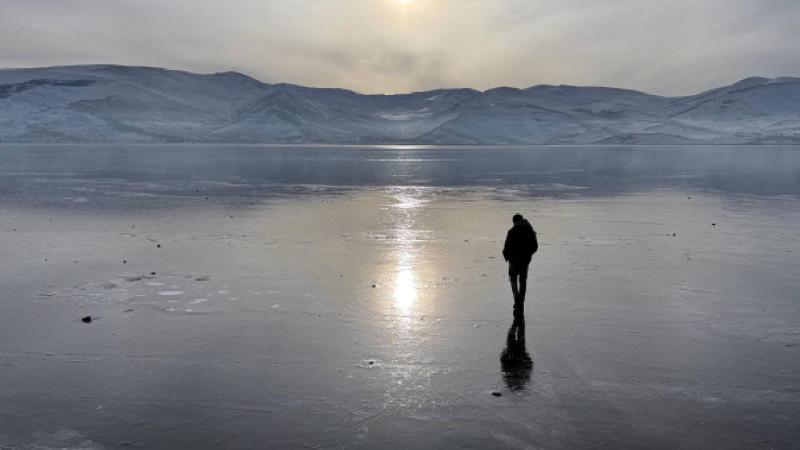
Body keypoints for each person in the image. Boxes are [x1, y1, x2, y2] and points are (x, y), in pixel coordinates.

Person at [502, 213, 538, 310]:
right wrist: (528, 255)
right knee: (522, 280)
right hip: (525, 260)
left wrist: (507, 256)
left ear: (514, 221)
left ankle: (516, 297)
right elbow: (535, 247)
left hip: (514, 260)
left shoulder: (512, 231)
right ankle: (521, 299)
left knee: (513, 278)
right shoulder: (530, 231)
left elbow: (507, 246)